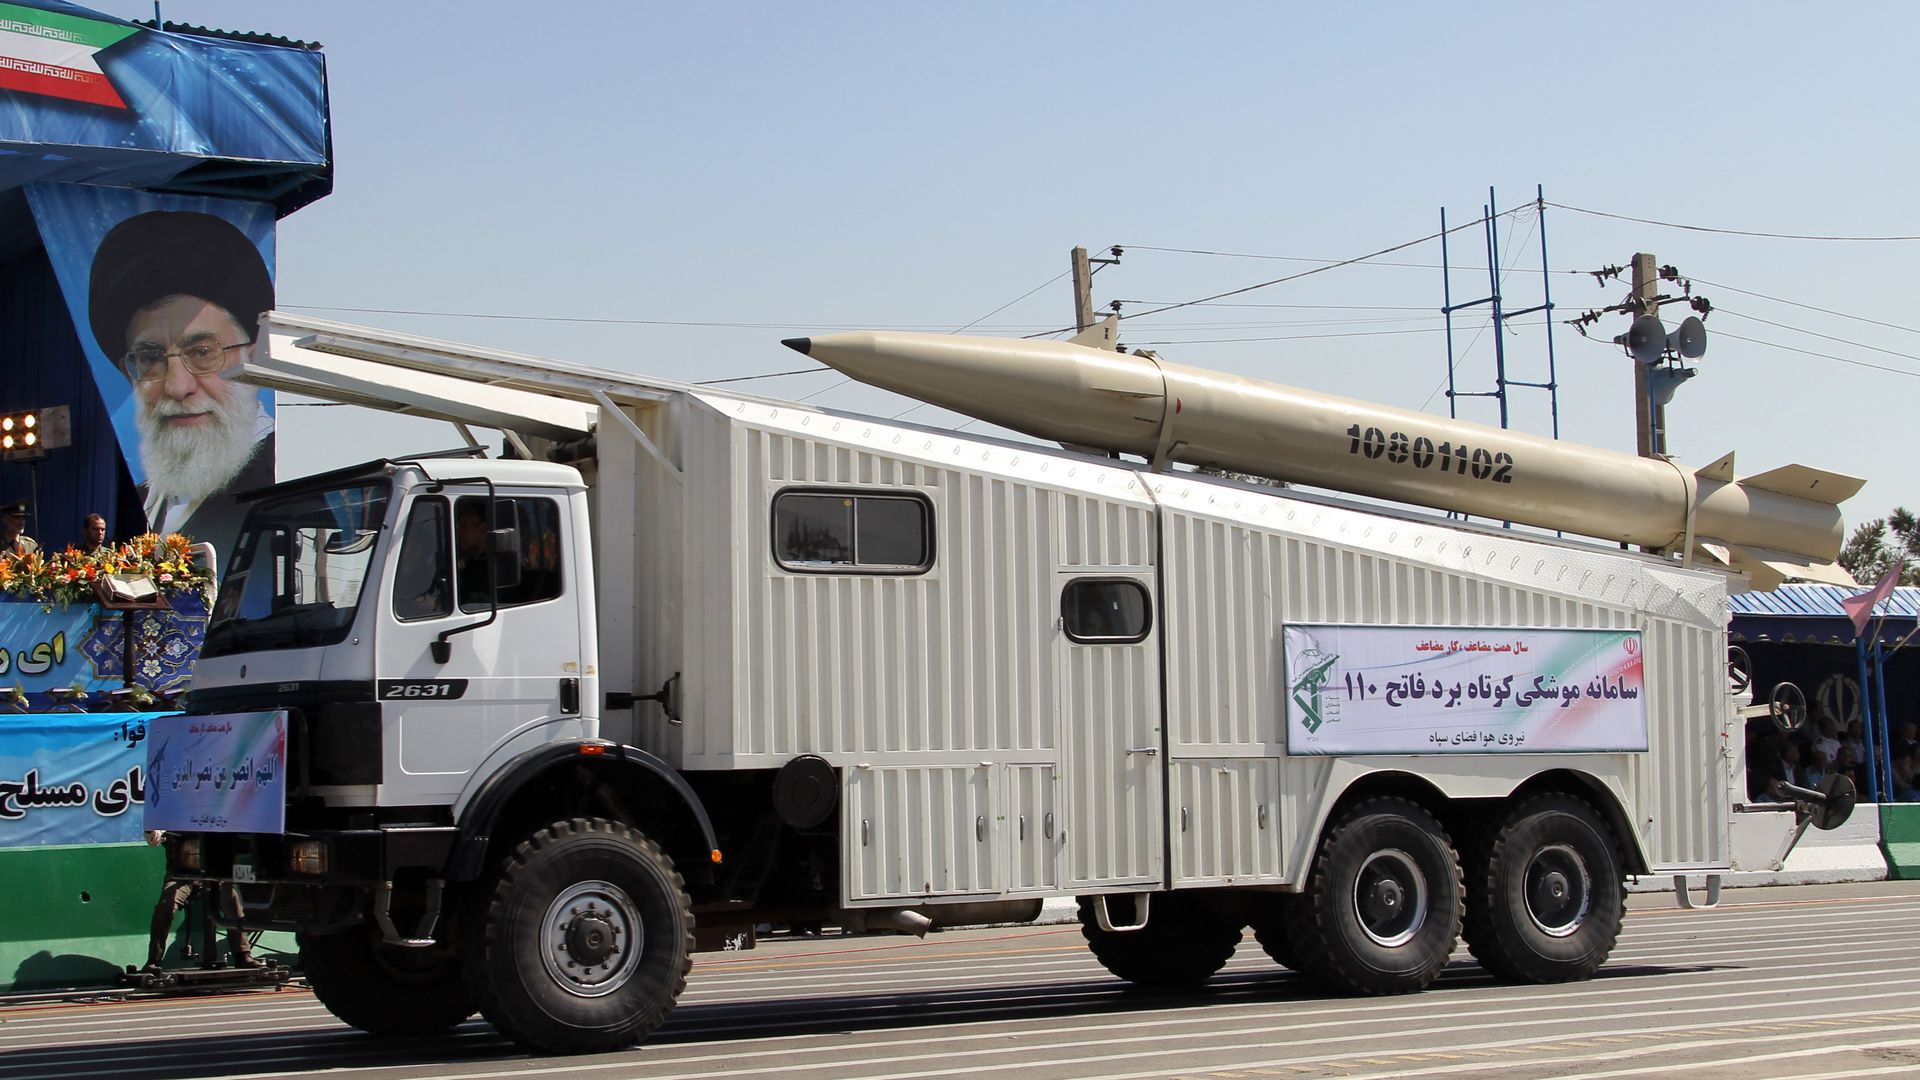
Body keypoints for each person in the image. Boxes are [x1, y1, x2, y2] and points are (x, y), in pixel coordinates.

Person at [87, 211, 275, 557]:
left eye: (202, 352)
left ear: (254, 354)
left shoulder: (281, 486)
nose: (177, 385)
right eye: (150, 358)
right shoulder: (144, 499)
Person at [144, 829, 255, 971]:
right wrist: (154, 831)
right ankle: (154, 959)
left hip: (213, 876)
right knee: (165, 906)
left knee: (231, 899)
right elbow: (153, 838)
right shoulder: (172, 815)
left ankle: (242, 955)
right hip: (181, 877)